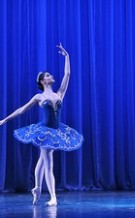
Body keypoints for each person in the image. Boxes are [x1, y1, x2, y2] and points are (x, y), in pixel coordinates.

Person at [0, 43, 83, 206]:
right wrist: (4, 119)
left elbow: (67, 74)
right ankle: (53, 197)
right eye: (47, 75)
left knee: (42, 160)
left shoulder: (59, 93)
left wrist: (67, 57)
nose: (51, 76)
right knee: (48, 161)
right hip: (45, 131)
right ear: (43, 81)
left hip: (57, 130)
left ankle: (37, 188)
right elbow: (22, 110)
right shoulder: (38, 97)